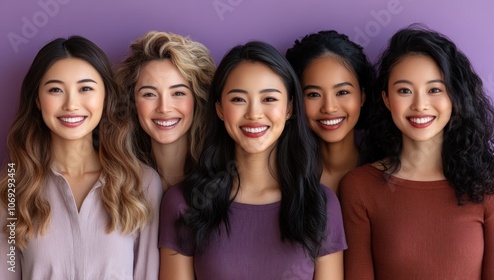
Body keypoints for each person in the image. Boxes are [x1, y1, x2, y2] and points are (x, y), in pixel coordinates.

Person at [158, 41, 346, 279]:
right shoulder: (183, 202)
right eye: (238, 99)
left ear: (289, 108)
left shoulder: (320, 203)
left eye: (269, 99)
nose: (254, 114)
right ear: (219, 109)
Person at [339, 25, 494, 279]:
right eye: (404, 90)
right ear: (386, 99)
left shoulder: (491, 184)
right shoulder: (359, 187)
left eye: (435, 89)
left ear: (455, 96)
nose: (420, 105)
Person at [0, 36, 162, 280]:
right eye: (55, 90)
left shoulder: (142, 183)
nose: (71, 104)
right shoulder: (13, 185)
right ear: (37, 100)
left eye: (85, 88)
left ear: (105, 96)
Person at [115, 31, 215, 191]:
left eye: (178, 93)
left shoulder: (221, 180)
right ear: (132, 101)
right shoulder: (116, 181)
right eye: (149, 94)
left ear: (197, 98)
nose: (164, 108)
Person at [286, 30, 374, 194]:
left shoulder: (386, 170)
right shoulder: (283, 174)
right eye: (314, 95)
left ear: (362, 96)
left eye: (342, 92)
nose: (329, 107)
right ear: (295, 100)